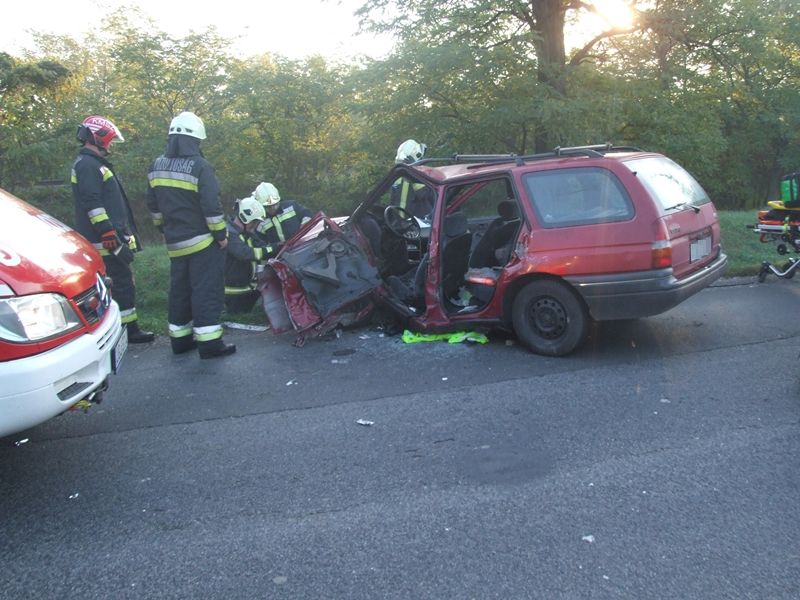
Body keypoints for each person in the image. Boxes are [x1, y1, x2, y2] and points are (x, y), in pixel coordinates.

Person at [146, 111, 235, 359]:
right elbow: (211, 206)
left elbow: (152, 205)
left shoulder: (156, 165)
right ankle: (209, 343)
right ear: (196, 139)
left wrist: (164, 229)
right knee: (206, 290)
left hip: (175, 243)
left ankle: (180, 340)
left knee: (180, 291)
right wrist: (220, 235)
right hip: (202, 242)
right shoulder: (200, 167)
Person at [71, 115, 155, 344]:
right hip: (105, 240)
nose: (109, 145)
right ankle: (128, 330)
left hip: (110, 237)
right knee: (121, 283)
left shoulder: (93, 164)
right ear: (98, 137)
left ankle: (125, 328)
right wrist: (107, 231)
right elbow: (93, 203)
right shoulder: (89, 165)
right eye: (108, 140)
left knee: (121, 282)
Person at [224, 197, 281, 314]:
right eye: (254, 222)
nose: (255, 225)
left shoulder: (247, 234)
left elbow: (263, 246)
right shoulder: (229, 233)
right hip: (231, 294)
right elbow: (246, 253)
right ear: (246, 218)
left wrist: (280, 246)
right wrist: (273, 248)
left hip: (245, 289)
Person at [251, 182, 313, 246]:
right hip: (283, 255)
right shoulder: (260, 224)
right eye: (268, 207)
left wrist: (304, 225)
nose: (273, 208)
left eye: (275, 204)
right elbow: (262, 246)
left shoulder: (291, 206)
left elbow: (307, 214)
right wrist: (276, 246)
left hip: (304, 246)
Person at [390, 139, 434, 220]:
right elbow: (393, 202)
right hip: (400, 226)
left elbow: (425, 195)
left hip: (420, 226)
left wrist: (413, 174)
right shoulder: (399, 178)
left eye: (405, 163)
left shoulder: (427, 175)